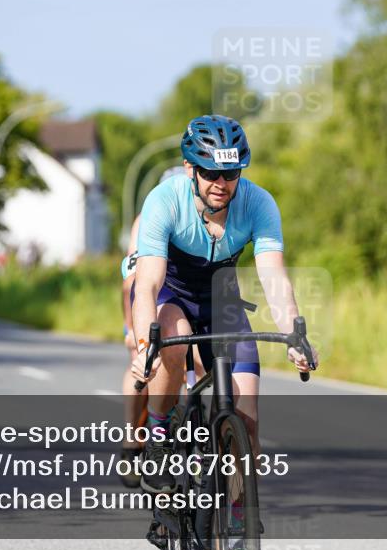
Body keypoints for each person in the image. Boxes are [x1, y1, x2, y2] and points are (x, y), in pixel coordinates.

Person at [130, 114, 317, 495]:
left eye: (231, 173)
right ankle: (159, 433)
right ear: (189, 168)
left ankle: (235, 529)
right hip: (172, 291)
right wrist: (145, 348)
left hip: (221, 297)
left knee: (247, 423)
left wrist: (295, 335)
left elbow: (274, 278)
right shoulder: (164, 201)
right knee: (175, 336)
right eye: (210, 173)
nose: (221, 183)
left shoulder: (258, 203)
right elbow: (148, 283)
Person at [118, 165, 188, 488]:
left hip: (182, 296)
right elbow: (132, 281)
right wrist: (132, 330)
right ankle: (132, 440)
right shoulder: (146, 219)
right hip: (148, 294)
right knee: (140, 368)